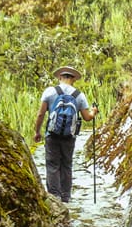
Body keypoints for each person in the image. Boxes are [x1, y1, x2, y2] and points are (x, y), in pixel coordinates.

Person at [34, 66, 98, 202]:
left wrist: (37, 132)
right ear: (73, 79)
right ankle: (66, 197)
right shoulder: (79, 95)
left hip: (52, 134)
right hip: (69, 136)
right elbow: (87, 117)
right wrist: (94, 111)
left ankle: (54, 197)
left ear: (59, 77)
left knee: (52, 165)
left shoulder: (50, 92)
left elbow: (40, 114)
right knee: (66, 165)